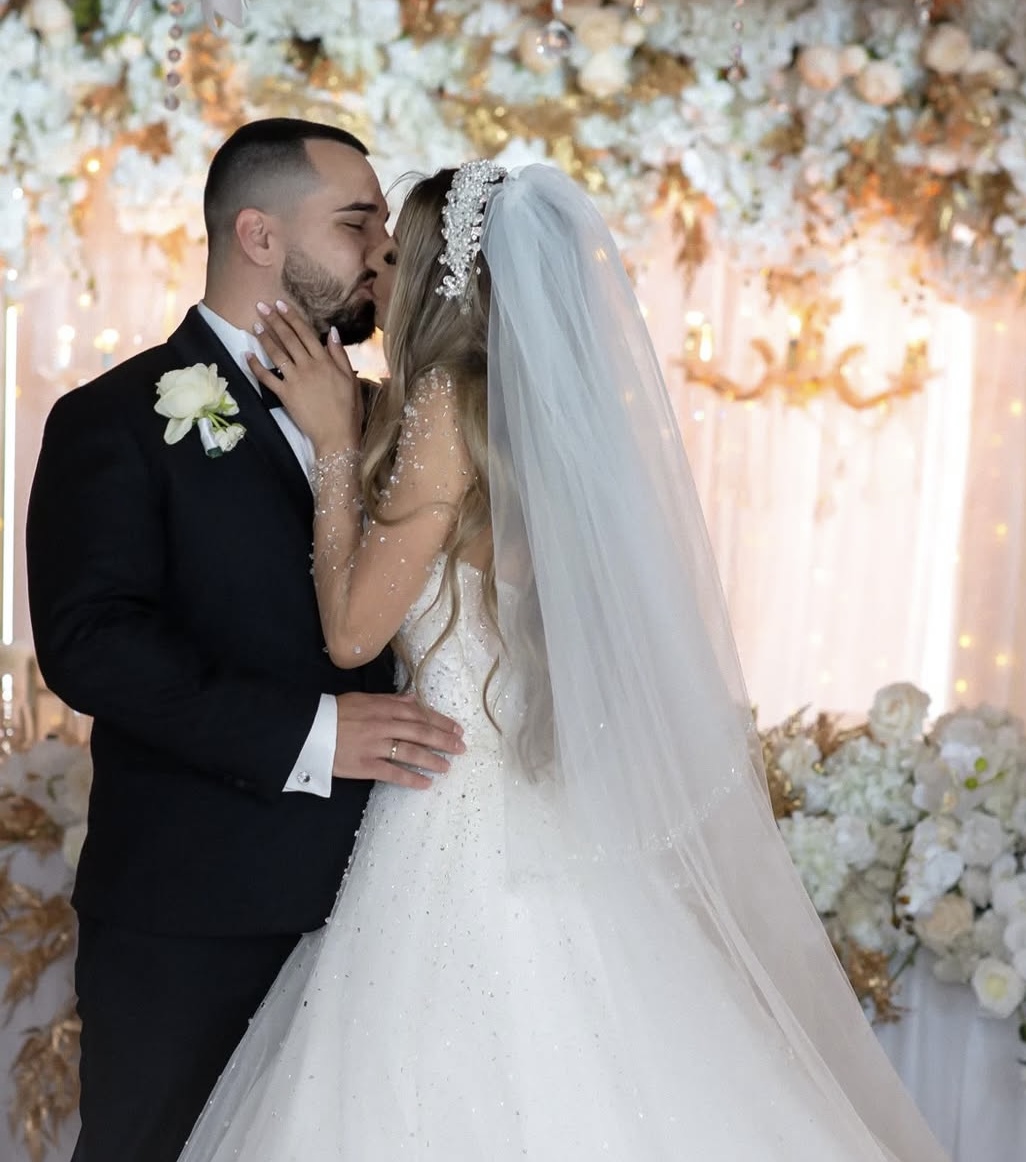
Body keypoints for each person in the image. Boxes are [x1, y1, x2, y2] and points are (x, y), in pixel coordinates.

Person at [179, 161, 950, 1161]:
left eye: (396, 255)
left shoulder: (443, 402)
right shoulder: (530, 412)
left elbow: (353, 635)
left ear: (443, 282)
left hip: (450, 813)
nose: (376, 268)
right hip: (534, 801)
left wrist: (333, 448)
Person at [24, 119, 465, 1162]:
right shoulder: (113, 418)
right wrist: (314, 733)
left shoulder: (408, 420)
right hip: (197, 911)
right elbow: (92, 644)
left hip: (395, 901)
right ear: (259, 235)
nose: (382, 250)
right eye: (357, 221)